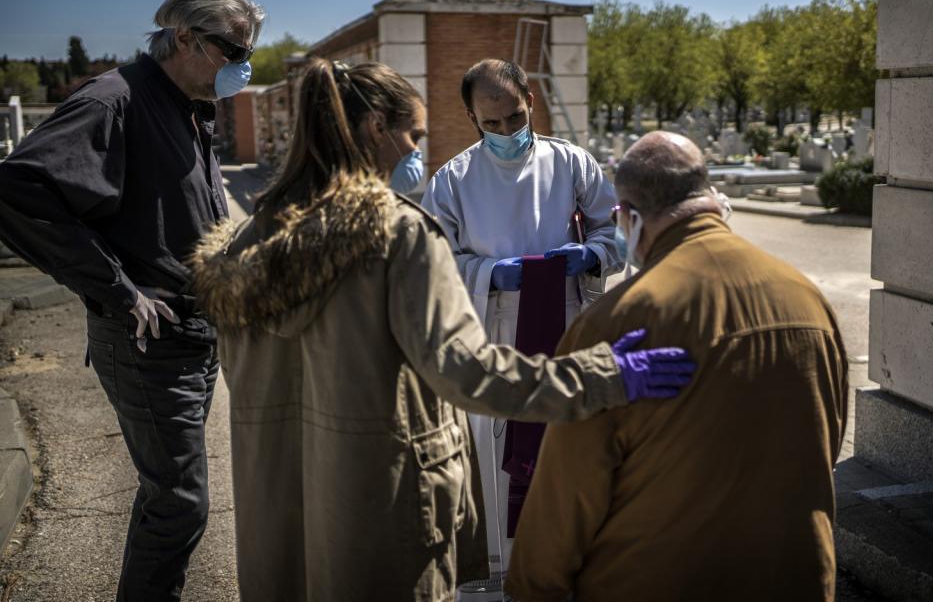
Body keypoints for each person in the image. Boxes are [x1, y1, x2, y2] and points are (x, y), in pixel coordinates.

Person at [189, 59, 695, 602]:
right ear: (377, 129)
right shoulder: (396, 234)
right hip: (377, 500)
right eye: (414, 135)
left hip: (282, 510)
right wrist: (605, 375)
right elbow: (466, 371)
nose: (415, 152)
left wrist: (589, 257)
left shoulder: (247, 244)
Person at [0, 0, 263, 601]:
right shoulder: (115, 100)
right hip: (147, 340)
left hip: (193, 337)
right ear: (184, 37)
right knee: (180, 505)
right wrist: (118, 289)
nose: (244, 67)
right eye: (233, 50)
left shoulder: (188, 107)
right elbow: (19, 192)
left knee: (171, 499)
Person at [505, 131, 850, 602]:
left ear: (627, 218)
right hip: (795, 577)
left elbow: (564, 497)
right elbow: (826, 440)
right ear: (711, 198)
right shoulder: (807, 299)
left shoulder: (616, 324)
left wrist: (530, 588)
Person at [421, 59, 621, 574]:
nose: (506, 131)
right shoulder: (452, 180)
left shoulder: (573, 162)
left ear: (531, 103)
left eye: (514, 117)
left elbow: (617, 232)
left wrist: (592, 255)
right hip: (491, 331)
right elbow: (432, 264)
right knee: (497, 455)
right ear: (471, 118)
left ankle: (568, 560)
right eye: (492, 123)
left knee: (568, 444)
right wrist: (489, 273)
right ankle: (502, 565)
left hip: (566, 324)